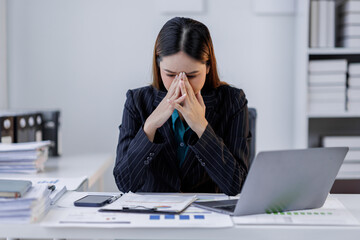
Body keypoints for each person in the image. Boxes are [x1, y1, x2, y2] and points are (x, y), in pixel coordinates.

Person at [114, 17, 250, 196]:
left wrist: (201, 126)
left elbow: (236, 185)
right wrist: (150, 126)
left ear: (208, 67)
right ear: (158, 65)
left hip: (208, 216)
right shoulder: (137, 101)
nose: (180, 84)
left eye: (192, 75)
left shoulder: (233, 101)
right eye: (170, 74)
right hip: (153, 216)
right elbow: (124, 182)